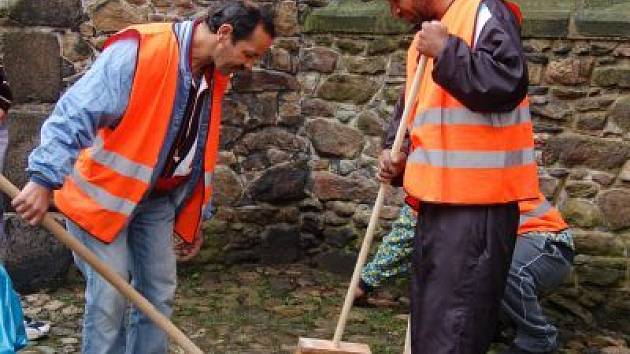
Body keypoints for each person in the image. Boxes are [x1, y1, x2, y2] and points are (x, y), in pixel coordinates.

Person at [11, 2, 274, 353]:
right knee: (111, 296)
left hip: (157, 202)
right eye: (249, 54)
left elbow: (197, 149)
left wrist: (194, 216)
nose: (250, 64)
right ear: (224, 34)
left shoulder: (213, 76)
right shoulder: (141, 51)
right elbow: (76, 112)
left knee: (159, 294)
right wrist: (43, 179)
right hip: (102, 197)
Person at [379, 0, 538, 352]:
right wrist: (397, 151)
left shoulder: (484, 11)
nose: (394, 11)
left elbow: (508, 81)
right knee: (433, 326)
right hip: (437, 204)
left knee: (454, 331)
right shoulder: (428, 36)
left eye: (394, 0)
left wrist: (447, 51)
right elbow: (413, 112)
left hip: (478, 207)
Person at [357, 194, 574, 354]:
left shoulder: (438, 183)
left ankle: (538, 336)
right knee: (464, 268)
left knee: (500, 267)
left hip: (547, 245)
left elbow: (401, 244)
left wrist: (364, 284)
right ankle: (492, 327)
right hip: (516, 244)